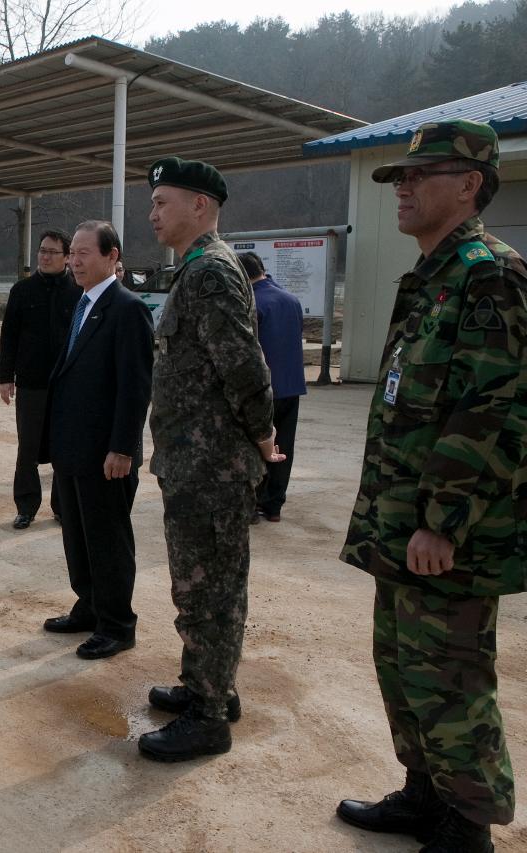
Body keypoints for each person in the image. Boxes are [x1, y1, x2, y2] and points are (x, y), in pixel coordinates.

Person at [336, 120, 525, 853]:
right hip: (402, 523)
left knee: (449, 680)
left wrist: (442, 520)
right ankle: (425, 793)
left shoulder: (490, 274)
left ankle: (467, 823)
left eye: (421, 175)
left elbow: (492, 410)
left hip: (446, 534)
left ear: (471, 184)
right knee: (403, 663)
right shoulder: (432, 277)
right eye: (398, 179)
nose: (403, 188)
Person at [138, 157, 282, 762]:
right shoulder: (198, 270)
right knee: (206, 585)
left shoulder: (212, 273)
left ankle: (209, 715)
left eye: (163, 201)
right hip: (193, 461)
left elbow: (244, 368)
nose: (152, 213)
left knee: (208, 590)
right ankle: (210, 685)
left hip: (211, 465)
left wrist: (263, 435)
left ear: (201, 205)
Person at [38, 221, 153, 659]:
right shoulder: (83, 303)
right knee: (79, 538)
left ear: (112, 256)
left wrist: (122, 447)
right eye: (73, 254)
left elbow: (135, 386)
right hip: (74, 449)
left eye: (84, 253)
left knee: (107, 541)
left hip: (107, 453)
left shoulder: (127, 309)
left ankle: (118, 625)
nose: (74, 261)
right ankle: (88, 607)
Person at [0, 229, 81, 529]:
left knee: (64, 445)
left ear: (67, 257)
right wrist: (5, 377)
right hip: (31, 382)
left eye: (52, 252)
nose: (45, 256)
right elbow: (8, 336)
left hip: (66, 384)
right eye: (42, 251)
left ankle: (62, 506)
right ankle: (26, 506)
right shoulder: (22, 292)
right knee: (28, 446)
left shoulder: (77, 292)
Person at [238, 251, 307, 523]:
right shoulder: (292, 300)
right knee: (283, 445)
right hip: (291, 386)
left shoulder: (251, 304)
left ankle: (254, 503)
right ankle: (275, 506)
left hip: (263, 389)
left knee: (257, 445)